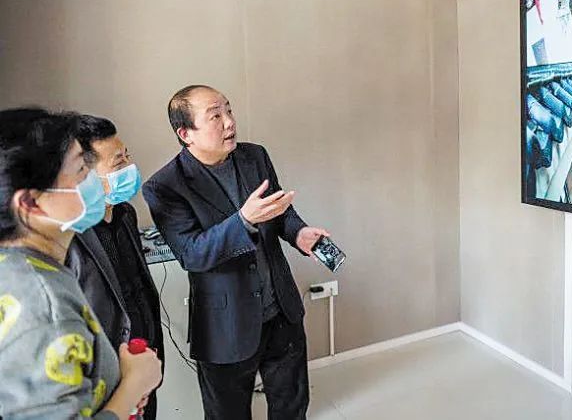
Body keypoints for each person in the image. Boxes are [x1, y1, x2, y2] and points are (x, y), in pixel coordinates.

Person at [143, 85, 329, 420]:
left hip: (281, 310)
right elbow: (192, 254)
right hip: (224, 325)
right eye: (215, 116)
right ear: (186, 133)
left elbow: (279, 211)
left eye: (228, 110)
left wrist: (298, 232)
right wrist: (243, 220)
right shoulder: (165, 186)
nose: (229, 122)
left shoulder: (254, 156)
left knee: (292, 406)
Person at [0, 108, 161, 419]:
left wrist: (116, 393)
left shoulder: (27, 267)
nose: (93, 181)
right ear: (31, 203)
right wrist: (132, 386)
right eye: (82, 170)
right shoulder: (44, 306)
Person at [66, 115, 165, 419]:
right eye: (118, 162)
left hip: (144, 353)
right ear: (84, 174)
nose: (130, 167)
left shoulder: (125, 214)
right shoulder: (71, 236)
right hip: (105, 371)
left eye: (127, 157)